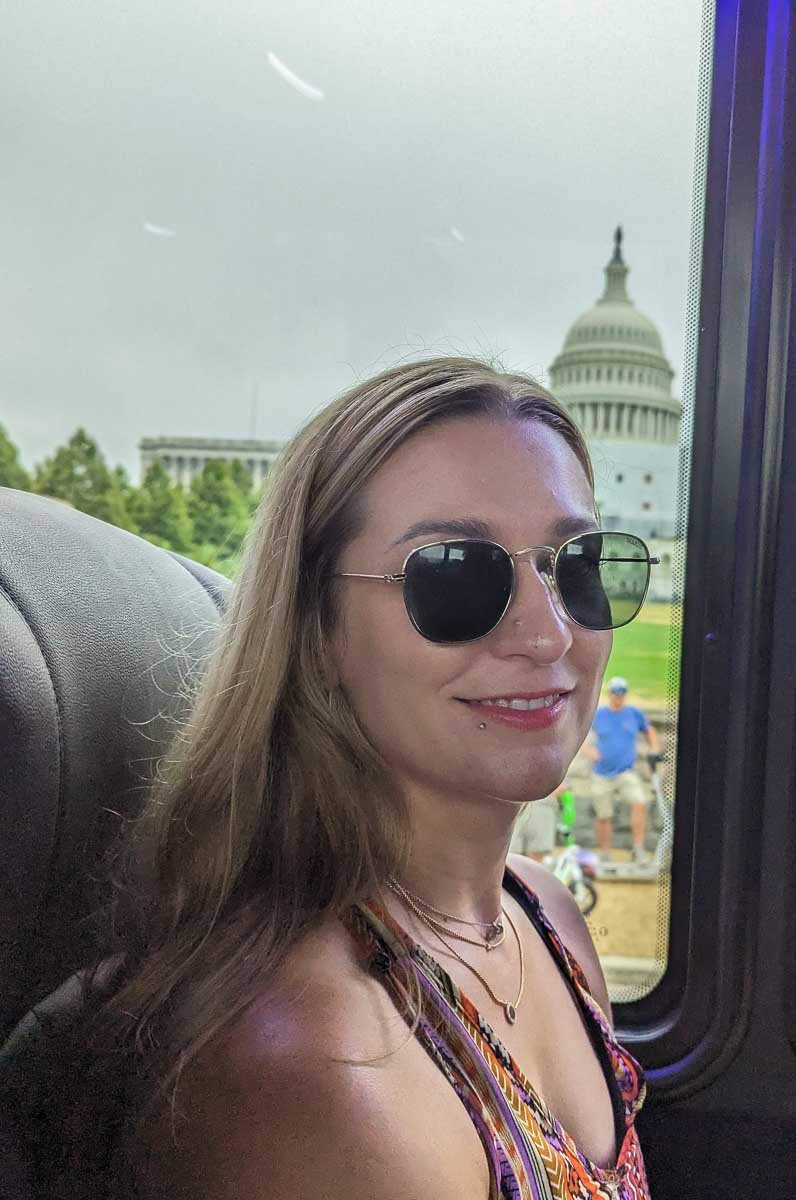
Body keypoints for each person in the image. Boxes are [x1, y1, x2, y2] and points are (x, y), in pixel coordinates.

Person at [99, 358, 656, 1198]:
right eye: (457, 574)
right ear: (317, 630)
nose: (548, 635)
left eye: (575, 565)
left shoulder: (545, 916)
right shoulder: (325, 1058)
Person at [587, 677, 661, 865]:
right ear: (609, 694)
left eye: (621, 693)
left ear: (624, 694)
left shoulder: (634, 713)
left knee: (639, 802)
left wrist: (654, 749)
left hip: (626, 772)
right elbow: (578, 733)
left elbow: (649, 731)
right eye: (614, 692)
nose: (617, 696)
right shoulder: (599, 714)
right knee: (604, 815)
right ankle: (605, 853)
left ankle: (638, 849)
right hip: (601, 773)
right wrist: (589, 751)